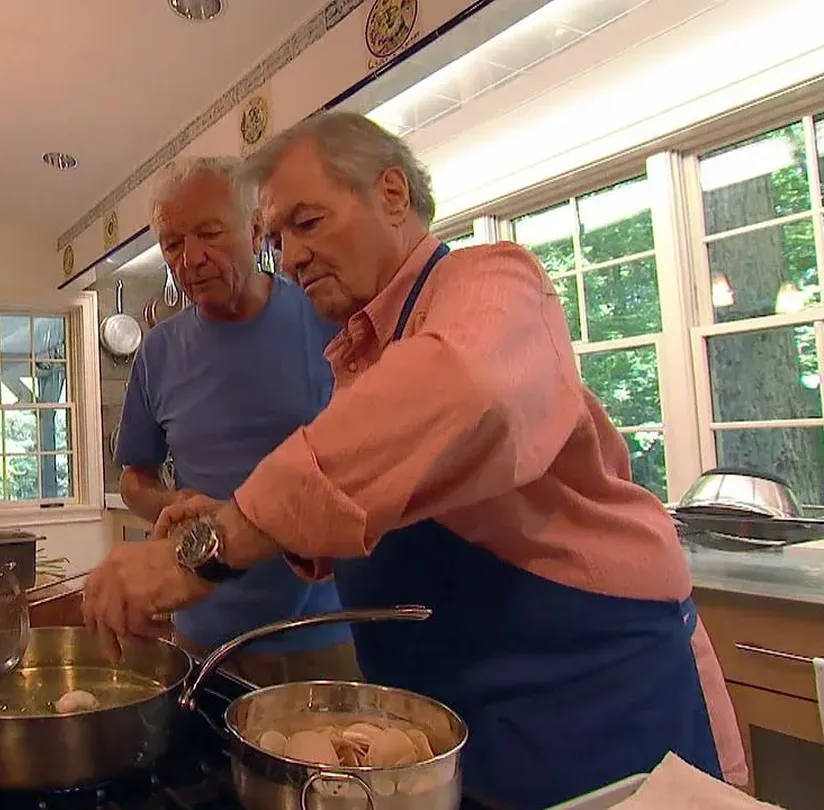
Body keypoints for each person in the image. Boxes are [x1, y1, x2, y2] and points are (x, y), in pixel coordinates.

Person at [82, 111, 747, 808]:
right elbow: (371, 505)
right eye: (279, 238)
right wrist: (223, 516)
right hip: (457, 714)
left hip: (590, 698)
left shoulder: (491, 281)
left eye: (307, 223)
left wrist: (209, 547)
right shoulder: (359, 348)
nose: (293, 255)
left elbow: (461, 390)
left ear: (393, 195)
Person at [115, 156, 358, 685]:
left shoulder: (326, 320)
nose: (191, 259)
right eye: (173, 245)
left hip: (319, 630)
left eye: (209, 234)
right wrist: (172, 503)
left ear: (254, 232)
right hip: (200, 635)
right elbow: (134, 479)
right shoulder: (157, 353)